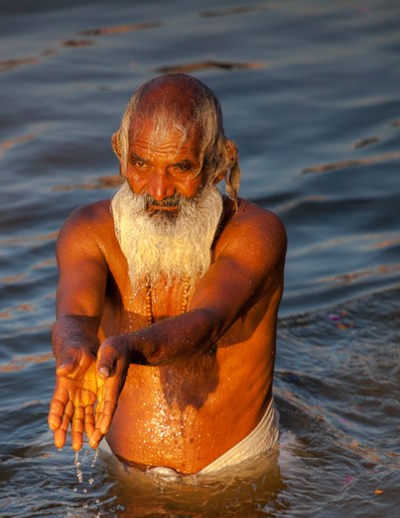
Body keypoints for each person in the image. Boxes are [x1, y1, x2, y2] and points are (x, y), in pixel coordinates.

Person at [48, 74, 287, 476]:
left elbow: (205, 324)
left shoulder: (255, 233)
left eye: (180, 167)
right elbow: (75, 317)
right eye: (141, 164)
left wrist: (128, 348)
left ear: (219, 162)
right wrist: (73, 350)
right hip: (117, 466)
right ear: (120, 153)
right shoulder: (88, 230)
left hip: (238, 469)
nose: (158, 190)